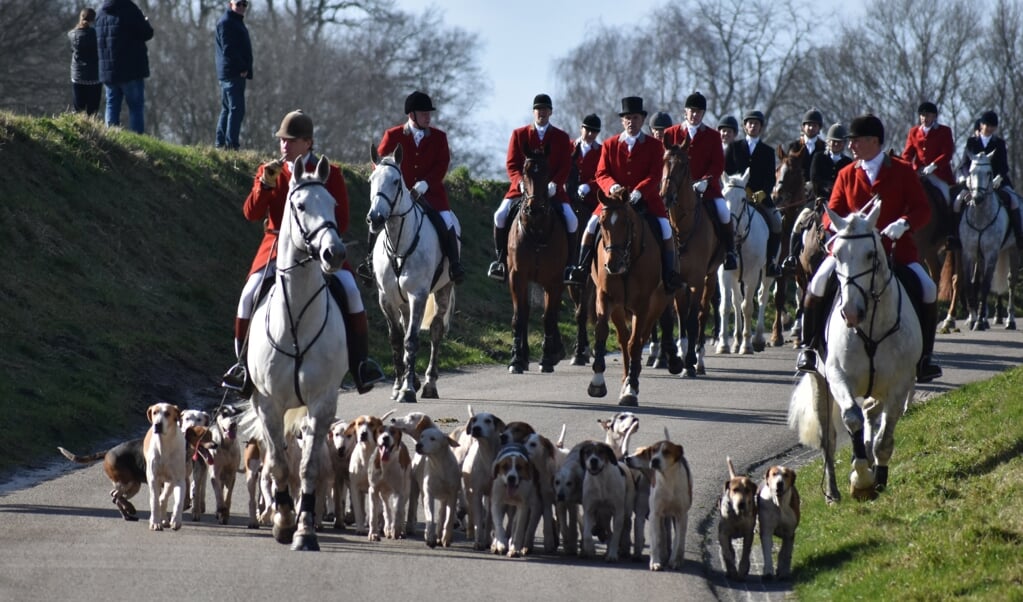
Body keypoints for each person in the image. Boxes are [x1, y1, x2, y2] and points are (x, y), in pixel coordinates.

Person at [223, 110, 384, 395]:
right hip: (276, 248)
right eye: (282, 140)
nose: (284, 146)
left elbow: (342, 220)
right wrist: (264, 185)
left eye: (291, 140)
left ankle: (361, 364)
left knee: (351, 290)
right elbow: (251, 213)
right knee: (248, 295)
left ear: (307, 143)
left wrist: (320, 237)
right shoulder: (269, 171)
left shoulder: (330, 173)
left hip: (321, 246)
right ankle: (242, 370)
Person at [797, 114, 942, 383]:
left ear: (873, 141)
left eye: (856, 141)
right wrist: (835, 225)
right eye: (850, 142)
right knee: (817, 283)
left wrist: (904, 222)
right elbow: (833, 210)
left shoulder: (901, 170)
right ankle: (809, 348)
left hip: (894, 250)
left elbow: (923, 210)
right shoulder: (846, 174)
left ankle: (925, 358)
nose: (851, 146)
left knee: (929, 288)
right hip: (852, 253)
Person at [565, 96, 683, 292]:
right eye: (627, 118)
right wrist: (612, 187)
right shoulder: (610, 144)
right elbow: (601, 173)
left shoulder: (654, 146)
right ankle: (581, 268)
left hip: (645, 200)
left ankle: (669, 274)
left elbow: (655, 174)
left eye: (635, 117)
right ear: (622, 121)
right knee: (590, 226)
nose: (631, 121)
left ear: (642, 120)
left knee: (665, 229)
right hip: (613, 201)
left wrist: (639, 191)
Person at [358, 91, 465, 284]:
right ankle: (368, 263)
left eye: (428, 113)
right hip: (396, 194)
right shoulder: (393, 135)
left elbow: (442, 165)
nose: (428, 117)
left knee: (447, 222)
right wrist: (392, 181)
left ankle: (455, 265)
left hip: (430, 194)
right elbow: (379, 163)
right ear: (411, 115)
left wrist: (426, 183)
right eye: (423, 113)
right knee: (377, 215)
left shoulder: (439, 137)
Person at [489, 94, 575, 282]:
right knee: (500, 215)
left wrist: (556, 183)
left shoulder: (561, 137)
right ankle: (501, 262)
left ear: (550, 112)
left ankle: (571, 266)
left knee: (572, 219)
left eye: (545, 109)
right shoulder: (519, 134)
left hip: (552, 191)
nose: (541, 112)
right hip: (522, 190)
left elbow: (566, 165)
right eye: (538, 109)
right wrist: (519, 181)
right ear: (534, 112)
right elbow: (511, 164)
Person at [662, 91, 738, 270]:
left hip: (706, 188)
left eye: (699, 112)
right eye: (692, 111)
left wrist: (705, 180)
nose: (695, 115)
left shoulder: (712, 136)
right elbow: (662, 162)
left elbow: (718, 164)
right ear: (685, 112)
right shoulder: (670, 133)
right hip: (674, 188)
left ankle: (729, 252)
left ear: (703, 114)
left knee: (724, 212)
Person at [782, 122, 852, 271]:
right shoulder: (819, 157)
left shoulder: (848, 162)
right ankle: (792, 257)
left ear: (844, 144)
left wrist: (836, 189)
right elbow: (815, 178)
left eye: (839, 142)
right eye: (833, 141)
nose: (835, 144)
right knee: (800, 221)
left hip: (840, 205)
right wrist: (829, 187)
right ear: (828, 142)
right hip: (818, 200)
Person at [724, 110, 782, 277]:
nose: (753, 126)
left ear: (760, 127)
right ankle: (724, 255)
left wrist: (762, 193)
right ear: (744, 126)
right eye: (750, 123)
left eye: (756, 123)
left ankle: (771, 261)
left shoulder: (767, 151)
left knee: (777, 222)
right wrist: (740, 188)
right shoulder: (734, 147)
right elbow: (726, 171)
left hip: (759, 198)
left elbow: (770, 178)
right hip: (736, 195)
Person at [955, 110, 1023, 249]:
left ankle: (1019, 238)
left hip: (996, 182)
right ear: (981, 125)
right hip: (974, 183)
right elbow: (963, 164)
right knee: (957, 202)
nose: (990, 128)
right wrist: (967, 177)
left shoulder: (999, 143)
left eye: (993, 126)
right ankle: (954, 236)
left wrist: (999, 177)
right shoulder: (971, 142)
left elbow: (1004, 166)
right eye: (987, 125)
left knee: (1014, 201)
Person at [95, 0, 153, 134]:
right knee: (135, 107)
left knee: (112, 106)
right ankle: (137, 141)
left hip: (108, 71)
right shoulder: (130, 9)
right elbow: (147, 33)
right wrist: (146, 21)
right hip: (131, 69)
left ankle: (111, 139)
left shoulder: (100, 14)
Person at [215, 0, 253, 150]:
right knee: (236, 109)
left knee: (227, 108)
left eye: (245, 4)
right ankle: (231, 145)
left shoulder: (235, 21)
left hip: (232, 73)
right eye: (239, 4)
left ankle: (221, 143)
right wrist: (242, 67)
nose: (242, 7)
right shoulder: (227, 23)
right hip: (232, 73)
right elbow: (228, 49)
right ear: (230, 4)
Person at [902, 101, 955, 204]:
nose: (924, 118)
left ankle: (948, 218)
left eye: (927, 115)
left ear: (934, 116)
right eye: (922, 115)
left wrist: (933, 165)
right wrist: (905, 167)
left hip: (937, 174)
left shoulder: (944, 131)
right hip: (918, 173)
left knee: (946, 197)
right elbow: (907, 154)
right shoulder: (914, 132)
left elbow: (947, 153)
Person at [68, 8, 102, 116]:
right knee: (92, 112)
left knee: (78, 110)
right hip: (94, 77)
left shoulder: (72, 35)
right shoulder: (97, 35)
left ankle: (78, 130)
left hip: (77, 77)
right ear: (94, 20)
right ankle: (93, 131)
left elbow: (72, 51)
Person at [570, 113, 603, 217]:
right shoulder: (568, 147)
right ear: (581, 128)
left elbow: (603, 175)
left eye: (593, 131)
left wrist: (589, 186)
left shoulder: (602, 152)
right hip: (567, 197)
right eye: (587, 130)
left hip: (590, 201)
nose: (589, 134)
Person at [794, 108, 825, 180]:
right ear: (803, 127)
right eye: (809, 125)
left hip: (818, 187)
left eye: (815, 125)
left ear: (819, 128)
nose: (811, 128)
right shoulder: (795, 146)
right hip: (797, 186)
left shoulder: (824, 147)